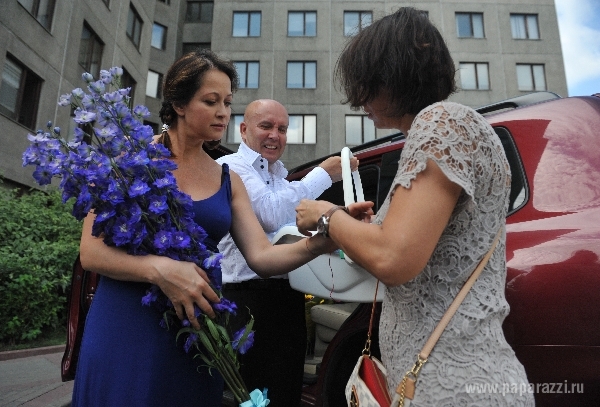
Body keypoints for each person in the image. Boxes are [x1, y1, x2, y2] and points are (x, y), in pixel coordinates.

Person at [295, 8, 534, 406]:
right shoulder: (446, 128)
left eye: (365, 84)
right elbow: (408, 248)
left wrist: (327, 215)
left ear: (390, 74)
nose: (360, 101)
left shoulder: (440, 123)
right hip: (439, 377)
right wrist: (367, 230)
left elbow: (394, 258)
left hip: (453, 383)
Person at [72, 50, 336, 407]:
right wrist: (161, 269)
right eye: (210, 101)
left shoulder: (228, 178)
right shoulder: (129, 162)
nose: (223, 112)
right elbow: (91, 252)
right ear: (179, 104)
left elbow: (262, 257)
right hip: (127, 327)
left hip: (198, 334)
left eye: (227, 102)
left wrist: (322, 241)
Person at [216, 99, 356, 406]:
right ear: (243, 129)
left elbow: (288, 227)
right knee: (254, 397)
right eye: (266, 126)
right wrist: (323, 174)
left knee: (285, 393)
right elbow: (271, 212)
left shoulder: (279, 176)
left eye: (282, 128)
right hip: (247, 300)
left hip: (286, 297)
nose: (275, 135)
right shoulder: (231, 167)